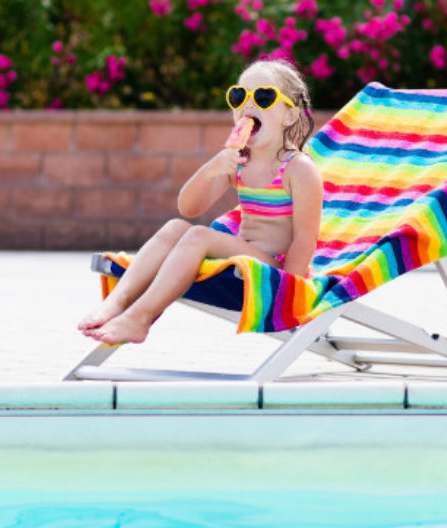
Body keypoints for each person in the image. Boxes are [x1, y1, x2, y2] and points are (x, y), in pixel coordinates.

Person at [78, 59, 323, 344]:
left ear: (290, 116)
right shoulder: (239, 162)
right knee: (174, 227)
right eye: (238, 96)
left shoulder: (298, 169)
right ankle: (119, 302)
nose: (248, 105)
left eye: (264, 97)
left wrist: (286, 294)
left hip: (274, 269)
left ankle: (140, 318)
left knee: (198, 236)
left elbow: (306, 239)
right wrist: (215, 167)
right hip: (241, 257)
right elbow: (189, 207)